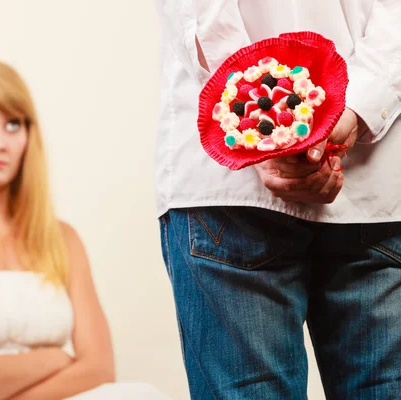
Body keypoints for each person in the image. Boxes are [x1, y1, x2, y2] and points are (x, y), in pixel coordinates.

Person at [154, 1, 401, 399]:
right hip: (370, 183)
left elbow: (202, 15)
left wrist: (261, 126)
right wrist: (352, 108)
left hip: (232, 192)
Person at [0, 58, 168, 400]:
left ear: (28, 136)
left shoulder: (62, 239)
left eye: (12, 124)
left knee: (142, 394)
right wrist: (54, 358)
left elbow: (98, 368)